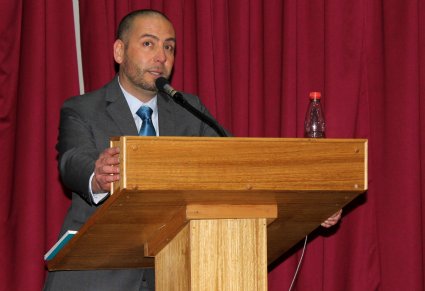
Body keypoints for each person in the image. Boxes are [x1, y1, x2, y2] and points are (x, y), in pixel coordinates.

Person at [44, 9, 341, 291]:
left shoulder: (188, 110)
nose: (161, 57)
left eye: (169, 48)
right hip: (97, 275)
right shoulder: (83, 108)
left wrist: (307, 199)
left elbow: (241, 164)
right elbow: (72, 161)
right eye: (149, 43)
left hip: (177, 274)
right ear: (119, 51)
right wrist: (96, 176)